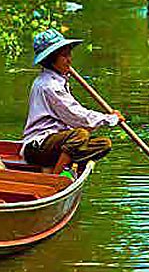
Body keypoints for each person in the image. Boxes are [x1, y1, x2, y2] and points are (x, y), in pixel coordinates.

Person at [22, 28, 125, 180]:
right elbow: (76, 116)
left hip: (56, 144)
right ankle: (54, 179)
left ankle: (63, 165)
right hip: (38, 147)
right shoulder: (49, 85)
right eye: (64, 56)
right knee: (80, 134)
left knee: (104, 144)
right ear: (51, 60)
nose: (69, 60)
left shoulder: (58, 80)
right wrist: (109, 119)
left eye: (69, 54)